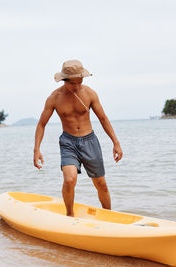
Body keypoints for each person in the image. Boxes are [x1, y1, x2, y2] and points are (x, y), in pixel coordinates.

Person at [33, 59, 123, 217]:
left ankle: (109, 217)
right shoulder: (54, 98)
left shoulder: (89, 93)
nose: (77, 86)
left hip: (89, 141)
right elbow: (41, 124)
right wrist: (37, 150)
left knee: (101, 183)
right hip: (68, 142)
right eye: (73, 83)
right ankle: (69, 215)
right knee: (69, 179)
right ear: (64, 80)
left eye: (79, 82)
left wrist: (116, 143)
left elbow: (103, 118)